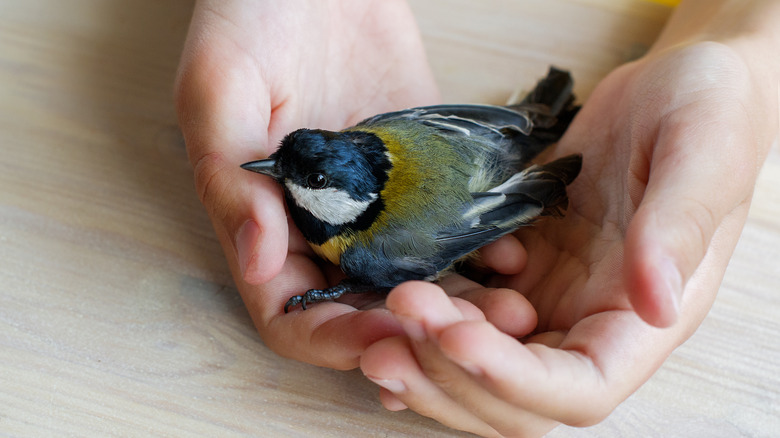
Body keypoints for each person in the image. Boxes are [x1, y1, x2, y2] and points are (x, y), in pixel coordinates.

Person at [174, 0, 779, 436]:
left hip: (485, 170)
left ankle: (544, 115)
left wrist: (329, 291)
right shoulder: (373, 138)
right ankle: (543, 114)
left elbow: (458, 237)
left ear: (345, 190)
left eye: (308, 179)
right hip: (482, 141)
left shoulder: (365, 244)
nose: (282, 177)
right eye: (285, 168)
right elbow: (440, 126)